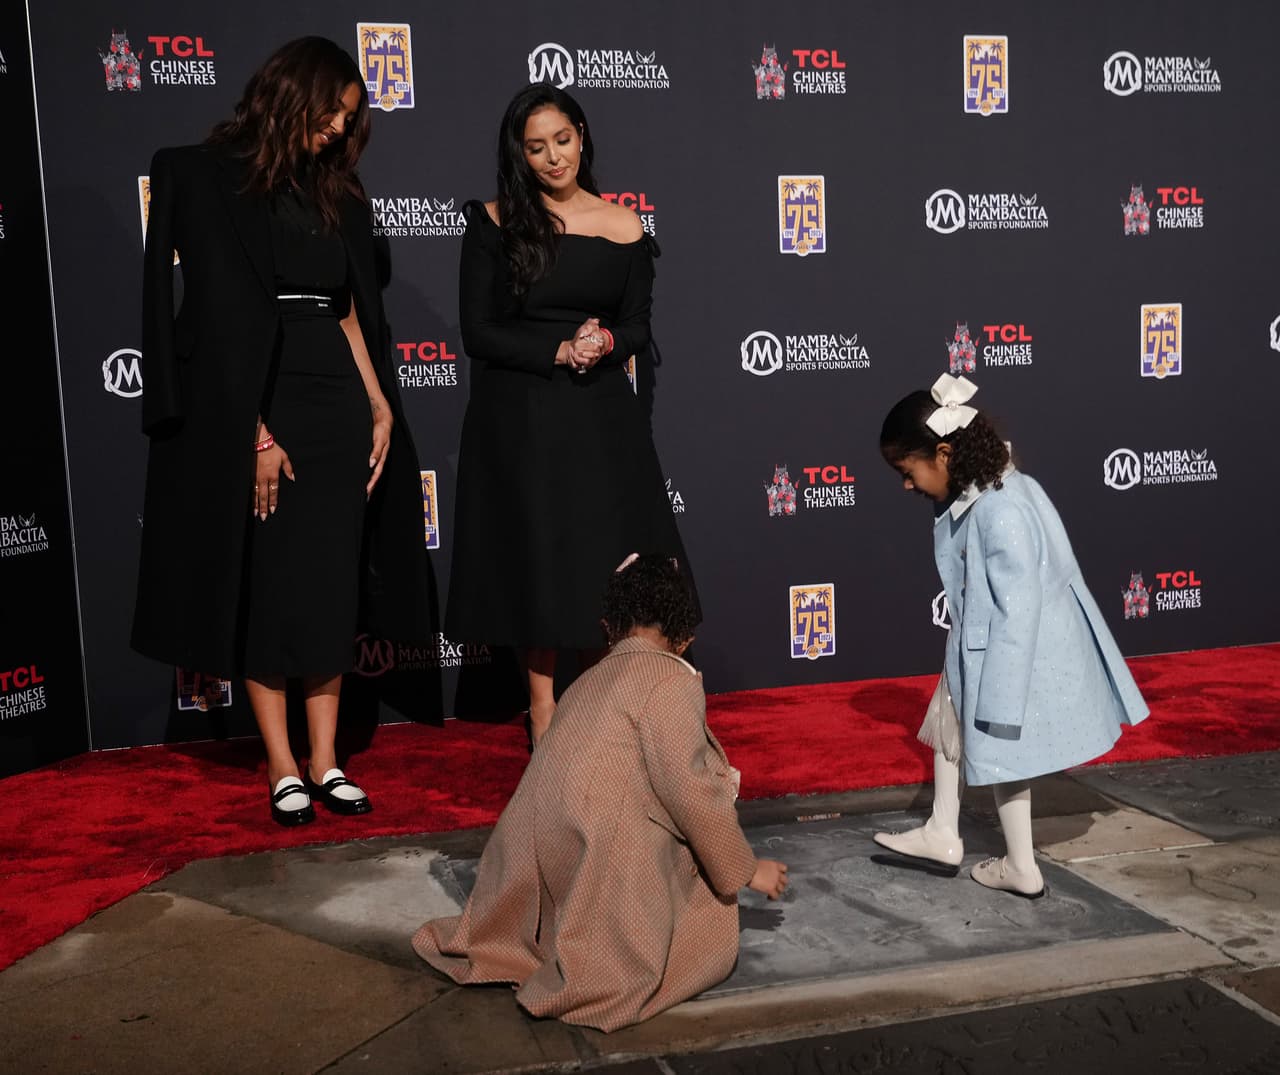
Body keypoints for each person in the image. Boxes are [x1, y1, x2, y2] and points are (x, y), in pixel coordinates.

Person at [130, 36, 431, 827]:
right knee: (266, 589)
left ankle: (327, 761)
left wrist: (378, 403)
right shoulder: (200, 176)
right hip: (254, 408)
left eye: (350, 119)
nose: (338, 129)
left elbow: (348, 309)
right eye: (332, 111)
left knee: (331, 587)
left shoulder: (340, 192)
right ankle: (281, 763)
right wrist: (253, 435)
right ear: (293, 92)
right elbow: (209, 329)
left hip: (335, 399)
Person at [412, 554, 788, 1032]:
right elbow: (690, 791)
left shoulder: (587, 680)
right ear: (685, 635)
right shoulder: (670, 680)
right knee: (701, 891)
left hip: (537, 853)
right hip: (594, 849)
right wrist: (744, 869)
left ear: (612, 624)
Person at [444, 82, 694, 745]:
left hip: (600, 415)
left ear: (582, 136)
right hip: (521, 412)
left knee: (599, 559)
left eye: (562, 139)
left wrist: (606, 341)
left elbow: (637, 328)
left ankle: (604, 707)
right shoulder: (494, 222)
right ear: (519, 155)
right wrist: (556, 347)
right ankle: (543, 712)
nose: (553, 157)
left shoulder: (625, 225)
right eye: (536, 147)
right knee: (539, 560)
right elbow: (479, 331)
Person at [873, 374, 1149, 897]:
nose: (906, 485)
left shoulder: (999, 511)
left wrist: (998, 691)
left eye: (907, 471)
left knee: (999, 747)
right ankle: (942, 828)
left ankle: (1019, 866)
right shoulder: (1000, 486)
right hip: (986, 643)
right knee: (950, 718)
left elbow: (1017, 613)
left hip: (1009, 651)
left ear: (945, 454)